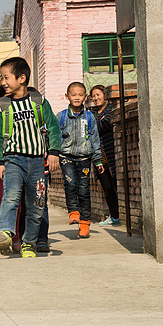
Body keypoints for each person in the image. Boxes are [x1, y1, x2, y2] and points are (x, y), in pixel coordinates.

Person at [0, 57, 60, 258]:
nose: (3, 82)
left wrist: (54, 152)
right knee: (10, 197)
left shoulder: (39, 102)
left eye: (6, 78)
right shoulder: (1, 106)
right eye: (2, 78)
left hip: (38, 162)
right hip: (13, 161)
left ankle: (29, 243)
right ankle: (4, 231)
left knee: (37, 204)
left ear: (22, 78)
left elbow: (54, 127)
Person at [56, 82, 105, 239]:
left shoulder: (90, 117)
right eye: (73, 95)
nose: (77, 98)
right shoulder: (61, 117)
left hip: (85, 158)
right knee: (70, 184)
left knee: (84, 190)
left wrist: (98, 161)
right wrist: (52, 154)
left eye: (80, 95)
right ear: (67, 97)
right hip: (66, 157)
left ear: (85, 97)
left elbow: (95, 139)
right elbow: (54, 137)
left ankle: (85, 223)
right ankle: (73, 212)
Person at [90, 85, 121, 226]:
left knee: (116, 184)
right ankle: (114, 216)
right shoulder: (93, 113)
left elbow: (107, 123)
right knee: (107, 187)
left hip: (112, 153)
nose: (96, 98)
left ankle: (121, 214)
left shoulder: (110, 109)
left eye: (98, 95)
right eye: (93, 96)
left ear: (105, 95)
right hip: (99, 158)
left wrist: (92, 128)